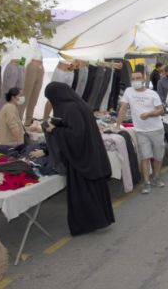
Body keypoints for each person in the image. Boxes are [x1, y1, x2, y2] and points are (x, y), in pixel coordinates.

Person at [44, 82, 115, 236]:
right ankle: (100, 220)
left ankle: (88, 224)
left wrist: (54, 130)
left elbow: (76, 136)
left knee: (83, 193)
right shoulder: (79, 105)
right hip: (90, 155)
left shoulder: (68, 108)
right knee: (94, 192)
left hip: (82, 159)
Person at [116, 70, 166, 194]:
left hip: (156, 129)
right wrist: (117, 125)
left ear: (143, 79)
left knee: (158, 156)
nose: (135, 81)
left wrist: (149, 114)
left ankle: (157, 177)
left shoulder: (152, 94)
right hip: (140, 131)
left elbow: (161, 110)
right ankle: (147, 182)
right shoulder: (128, 91)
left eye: (138, 78)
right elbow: (123, 108)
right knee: (145, 157)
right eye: (133, 78)